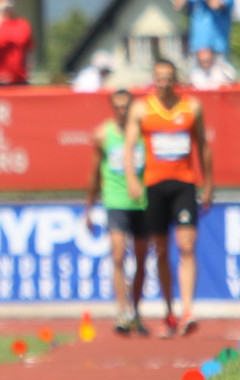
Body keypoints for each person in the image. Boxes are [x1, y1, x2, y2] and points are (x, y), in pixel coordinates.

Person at [123, 59, 212, 337]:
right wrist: (132, 179)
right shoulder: (141, 109)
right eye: (159, 78)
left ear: (176, 80)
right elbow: (128, 147)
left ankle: (188, 311)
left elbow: (203, 146)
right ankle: (169, 311)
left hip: (184, 184)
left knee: (186, 245)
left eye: (168, 78)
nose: (163, 83)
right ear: (154, 80)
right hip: (154, 186)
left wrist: (208, 183)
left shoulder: (191, 107)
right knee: (160, 250)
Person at [84, 89, 149, 335]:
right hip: (115, 201)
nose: (122, 111)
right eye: (118, 107)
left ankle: (136, 311)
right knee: (118, 256)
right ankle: (122, 312)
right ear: (112, 108)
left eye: (126, 107)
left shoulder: (143, 133)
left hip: (142, 202)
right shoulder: (103, 134)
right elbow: (94, 173)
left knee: (141, 260)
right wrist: (89, 208)